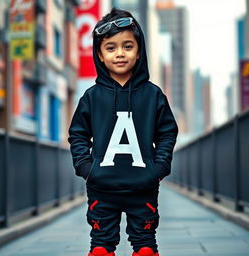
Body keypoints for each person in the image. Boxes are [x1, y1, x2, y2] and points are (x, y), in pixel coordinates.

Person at [68, 7, 178, 256]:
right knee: (100, 248)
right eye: (111, 48)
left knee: (146, 247)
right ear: (100, 54)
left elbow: (167, 132)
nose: (120, 54)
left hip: (143, 187)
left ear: (139, 52)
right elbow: (78, 134)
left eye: (128, 46)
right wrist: (86, 169)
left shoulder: (153, 95)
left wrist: (158, 168)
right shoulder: (91, 97)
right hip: (101, 188)